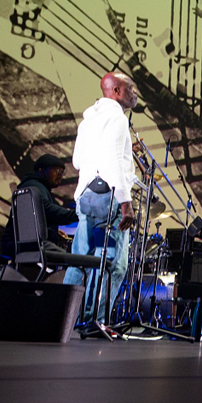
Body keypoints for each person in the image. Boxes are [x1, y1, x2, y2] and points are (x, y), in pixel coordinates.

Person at [65, 72, 138, 324]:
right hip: (109, 197)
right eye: (131, 88)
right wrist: (125, 202)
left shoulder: (88, 120)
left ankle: (65, 317)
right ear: (116, 91)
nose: (135, 93)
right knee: (114, 264)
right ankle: (96, 320)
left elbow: (76, 161)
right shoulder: (117, 118)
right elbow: (113, 162)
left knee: (80, 259)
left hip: (85, 196)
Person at [0, 154, 75, 258]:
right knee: (72, 261)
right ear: (42, 170)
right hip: (27, 245)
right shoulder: (34, 187)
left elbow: (34, 218)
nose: (60, 175)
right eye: (57, 171)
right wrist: (78, 214)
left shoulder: (36, 187)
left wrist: (53, 231)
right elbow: (47, 211)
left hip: (24, 243)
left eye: (62, 172)